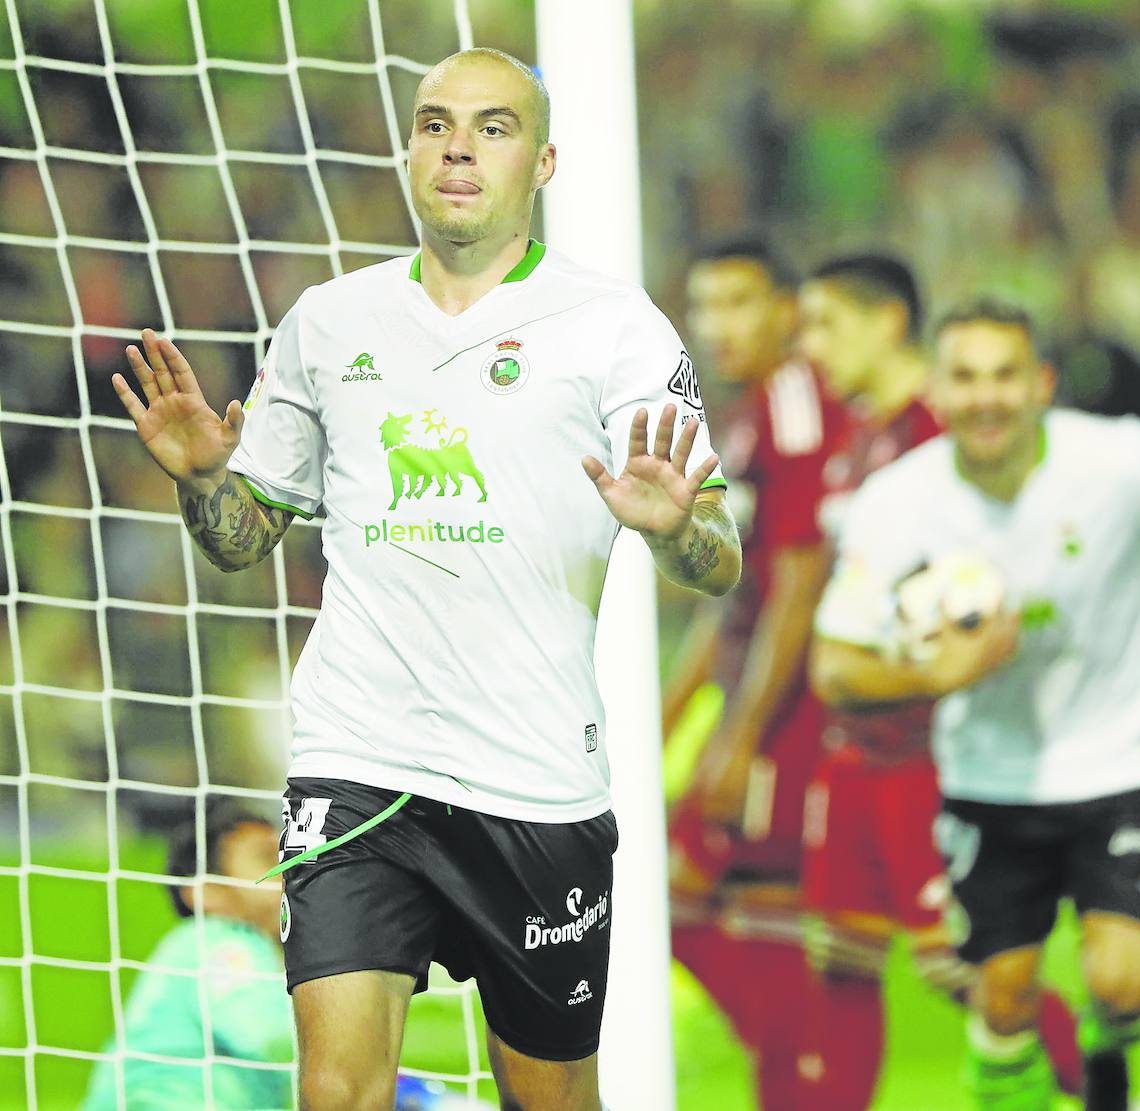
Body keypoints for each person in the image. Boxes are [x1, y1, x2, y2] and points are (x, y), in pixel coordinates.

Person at [111, 48, 741, 1111]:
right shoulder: (328, 322)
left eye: (492, 127)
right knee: (338, 1093)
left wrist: (677, 528)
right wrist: (207, 478)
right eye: (435, 122)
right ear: (409, 149)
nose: (458, 146)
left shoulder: (616, 327)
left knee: (550, 1096)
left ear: (542, 162)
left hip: (535, 777)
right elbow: (241, 539)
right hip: (360, 760)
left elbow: (716, 560)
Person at [809, 297, 1140, 1111]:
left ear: (1041, 385)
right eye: (965, 378)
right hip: (990, 772)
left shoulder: (1122, 461)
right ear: (938, 393)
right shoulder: (895, 502)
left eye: (1005, 376)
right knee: (1002, 997)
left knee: (1120, 982)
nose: (986, 397)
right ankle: (1017, 1084)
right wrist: (936, 674)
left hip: (1127, 754)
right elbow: (834, 666)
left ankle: (1109, 1057)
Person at [794, 258, 1081, 1107]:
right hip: (852, 745)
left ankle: (1106, 1089)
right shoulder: (858, 436)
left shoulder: (945, 432)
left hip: (930, 753)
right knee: (837, 964)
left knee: (965, 970)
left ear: (887, 323)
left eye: (824, 324)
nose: (810, 346)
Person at [661, 237, 849, 1109]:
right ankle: (797, 1070)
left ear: (786, 309)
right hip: (751, 704)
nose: (718, 325)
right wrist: (665, 710)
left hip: (794, 715)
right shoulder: (741, 417)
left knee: (692, 890)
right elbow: (734, 591)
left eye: (739, 303)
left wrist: (739, 735)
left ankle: (805, 1075)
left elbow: (802, 577)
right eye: (706, 306)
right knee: (676, 889)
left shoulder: (795, 405)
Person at [81, 803, 292, 1111]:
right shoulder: (221, 941)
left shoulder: (198, 947)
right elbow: (268, 1036)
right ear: (208, 892)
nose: (288, 871)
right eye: (267, 859)